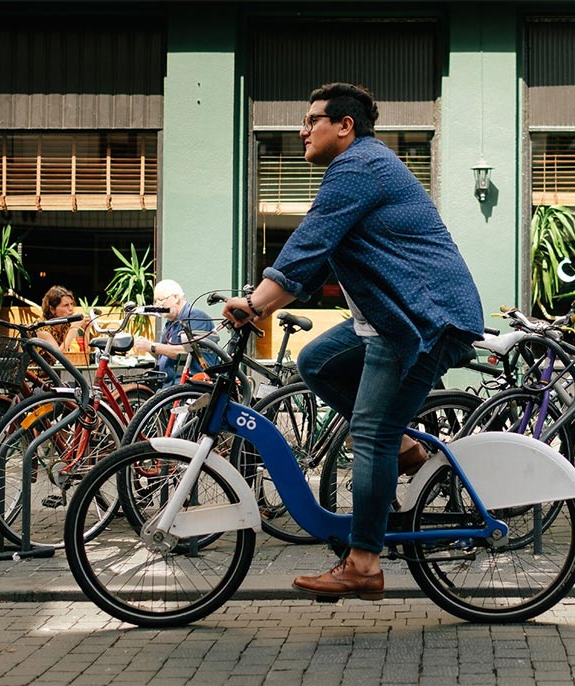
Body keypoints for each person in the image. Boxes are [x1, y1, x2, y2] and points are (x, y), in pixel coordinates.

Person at [223, 82, 483, 600]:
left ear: (345, 126)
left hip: (421, 320)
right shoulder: (357, 168)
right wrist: (264, 299)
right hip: (389, 317)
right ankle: (407, 449)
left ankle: (364, 563)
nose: (301, 131)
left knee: (370, 434)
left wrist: (256, 305)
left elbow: (312, 238)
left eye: (311, 120)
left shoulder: (360, 165)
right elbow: (317, 253)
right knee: (317, 361)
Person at [133, 279, 218, 386]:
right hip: (166, 382)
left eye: (161, 300)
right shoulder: (170, 323)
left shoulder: (195, 316)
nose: (158, 305)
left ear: (176, 298)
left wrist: (152, 346)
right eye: (155, 301)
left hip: (188, 384)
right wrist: (147, 346)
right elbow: (165, 354)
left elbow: (185, 352)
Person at [37, 285, 90, 353]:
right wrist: (73, 328)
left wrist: (86, 329)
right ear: (52, 309)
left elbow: (83, 353)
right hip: (37, 364)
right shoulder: (42, 328)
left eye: (71, 304)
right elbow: (58, 357)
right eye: (66, 305)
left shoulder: (66, 325)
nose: (71, 308)